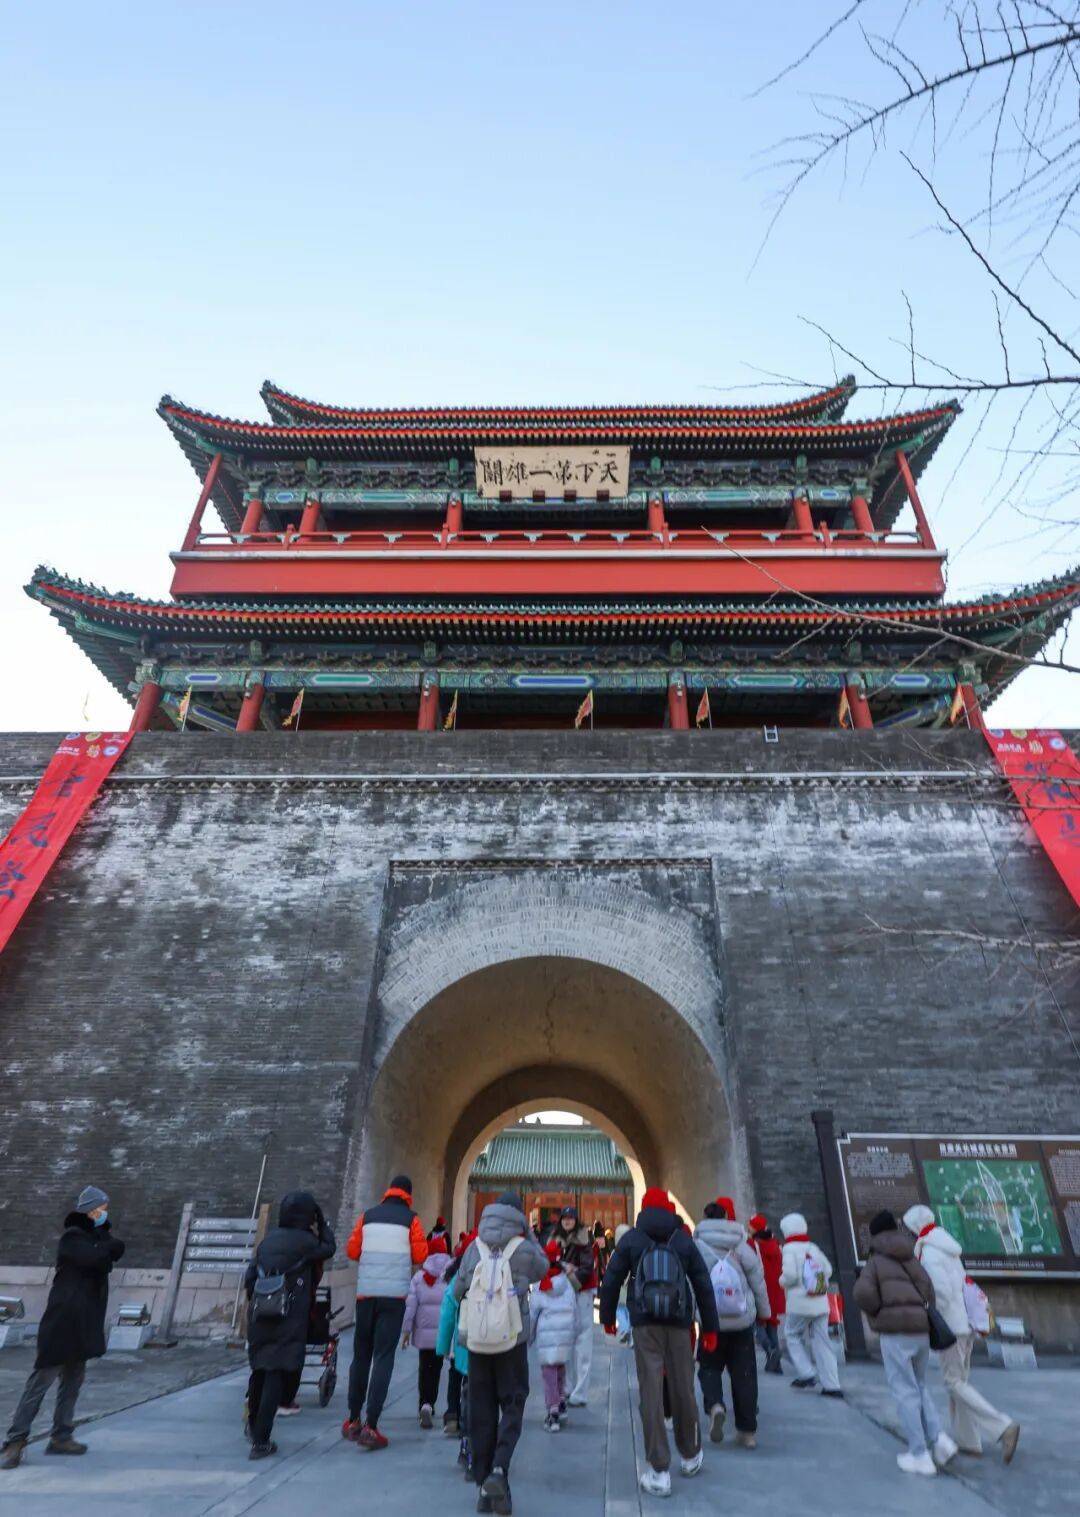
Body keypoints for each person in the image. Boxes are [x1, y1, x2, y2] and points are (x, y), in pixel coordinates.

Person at [599, 1187, 720, 1499]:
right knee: (683, 1387)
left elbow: (611, 1280)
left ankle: (659, 1470)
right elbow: (703, 1284)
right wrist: (710, 1328)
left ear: (643, 1209)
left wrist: (608, 1318)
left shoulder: (632, 1239)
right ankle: (690, 1454)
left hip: (645, 1324)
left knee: (651, 1392)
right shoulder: (682, 1240)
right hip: (679, 1325)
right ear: (669, 1208)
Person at [1, 1187, 124, 1470]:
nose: (104, 1213)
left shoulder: (94, 1238)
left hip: (83, 1326)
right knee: (39, 1384)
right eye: (101, 1208)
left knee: (72, 1384)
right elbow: (98, 1259)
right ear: (90, 1210)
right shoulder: (73, 1237)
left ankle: (62, 1435)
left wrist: (103, 1239)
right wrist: (104, 1245)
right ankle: (15, 1441)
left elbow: (116, 1248)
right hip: (62, 1323)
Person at [453, 1191, 547, 1515]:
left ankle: (485, 1488)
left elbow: (457, 1289)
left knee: (481, 1409)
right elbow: (543, 1267)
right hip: (511, 1340)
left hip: (479, 1341)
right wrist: (530, 1234)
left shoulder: (473, 1248)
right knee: (513, 1401)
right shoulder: (523, 1249)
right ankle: (498, 1468)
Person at [902, 1204, 1019, 1463]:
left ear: (914, 1228)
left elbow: (940, 1293)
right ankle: (969, 1441)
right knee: (960, 1383)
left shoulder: (930, 1253)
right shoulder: (947, 1247)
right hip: (964, 1325)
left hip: (950, 1327)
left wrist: (928, 1312)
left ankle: (1002, 1427)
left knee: (953, 1382)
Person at [853, 1209, 956, 1477]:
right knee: (918, 1386)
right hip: (920, 1329)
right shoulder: (910, 1256)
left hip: (895, 1333)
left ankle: (919, 1454)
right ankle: (939, 1440)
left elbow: (862, 1293)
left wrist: (879, 1312)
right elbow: (928, 1289)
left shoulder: (876, 1261)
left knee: (904, 1391)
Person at [244, 1190, 335, 1460]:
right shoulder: (306, 1242)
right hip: (288, 1316)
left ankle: (253, 1427)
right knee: (275, 1374)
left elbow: (250, 1278)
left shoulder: (269, 1241)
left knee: (259, 1371)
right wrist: (322, 1223)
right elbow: (329, 1247)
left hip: (260, 1314)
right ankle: (261, 1440)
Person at [344, 1173, 428, 1450]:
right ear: (408, 1195)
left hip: (366, 1295)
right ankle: (371, 1425)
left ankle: (353, 1419)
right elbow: (421, 1255)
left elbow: (352, 1250)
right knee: (383, 1357)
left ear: (388, 1191)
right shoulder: (411, 1220)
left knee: (361, 1356)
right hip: (393, 1297)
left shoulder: (367, 1216)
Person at [692, 1198, 770, 1449]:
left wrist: (692, 1315)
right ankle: (747, 1432)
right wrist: (765, 1312)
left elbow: (690, 1283)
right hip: (741, 1320)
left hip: (711, 1321)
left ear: (705, 1218)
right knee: (744, 1374)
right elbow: (757, 1279)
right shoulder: (740, 1244)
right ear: (727, 1217)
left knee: (709, 1368)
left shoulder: (697, 1245)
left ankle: (715, 1405)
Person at [778, 1212, 841, 1396]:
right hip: (820, 1302)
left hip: (800, 1303)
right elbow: (828, 1270)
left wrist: (781, 1281)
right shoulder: (813, 1247)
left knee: (792, 1334)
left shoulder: (789, 1249)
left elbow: (790, 1276)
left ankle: (807, 1373)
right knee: (823, 1342)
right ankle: (832, 1385)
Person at [402, 1233, 453, 1427]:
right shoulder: (451, 1277)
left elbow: (410, 1307)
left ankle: (423, 1402)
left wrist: (406, 1331)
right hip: (442, 1334)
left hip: (423, 1335)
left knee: (424, 1368)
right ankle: (431, 1403)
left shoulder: (418, 1278)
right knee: (436, 1369)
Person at [554, 1206, 599, 1406]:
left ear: (576, 1220)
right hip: (565, 1293)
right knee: (567, 1340)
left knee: (583, 1341)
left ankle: (580, 1391)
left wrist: (570, 1276)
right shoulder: (556, 1238)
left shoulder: (584, 1238)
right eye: (565, 1218)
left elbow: (587, 1267)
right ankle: (567, 1387)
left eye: (571, 1218)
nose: (567, 1221)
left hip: (581, 1292)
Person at [530, 1241, 577, 1431]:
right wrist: (574, 1332)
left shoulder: (540, 1284)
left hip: (547, 1336)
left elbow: (533, 1313)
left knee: (548, 1373)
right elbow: (574, 1308)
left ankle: (553, 1410)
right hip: (564, 1334)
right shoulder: (566, 1282)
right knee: (560, 1368)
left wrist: (529, 1337)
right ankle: (562, 1399)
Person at [436, 1251, 471, 1468]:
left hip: (463, 1348)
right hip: (493, 1347)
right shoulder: (497, 1271)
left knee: (461, 1386)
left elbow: (447, 1314)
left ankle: (456, 1421)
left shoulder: (458, 1280)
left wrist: (442, 1347)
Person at [747, 1213, 785, 1374]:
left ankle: (771, 1350)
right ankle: (776, 1364)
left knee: (758, 1323)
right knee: (772, 1324)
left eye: (750, 1225)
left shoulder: (752, 1244)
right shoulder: (775, 1243)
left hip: (761, 1287)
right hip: (776, 1289)